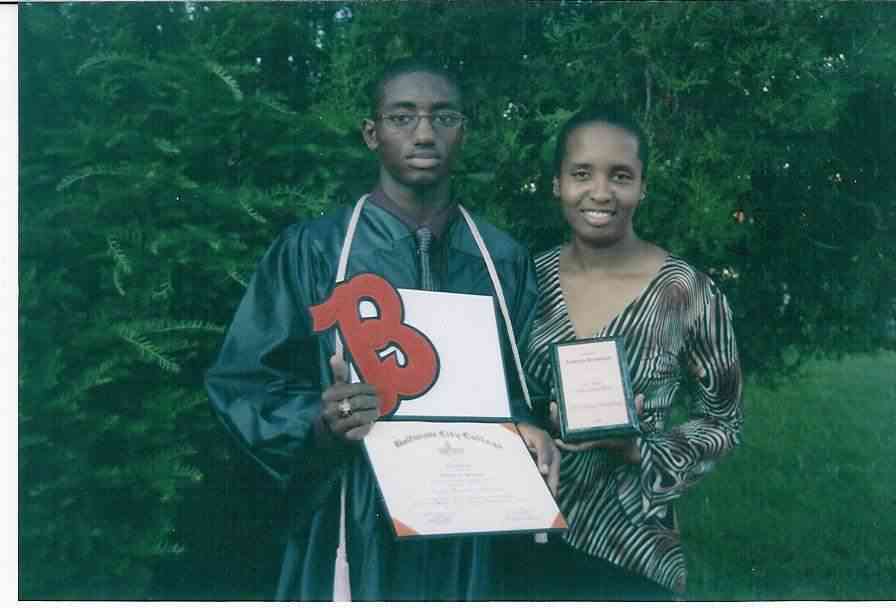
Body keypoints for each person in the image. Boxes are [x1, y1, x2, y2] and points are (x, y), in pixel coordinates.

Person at [204, 58, 558, 601]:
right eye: (402, 117)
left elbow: (526, 387)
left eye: (444, 117)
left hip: (471, 528)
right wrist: (320, 422)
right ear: (372, 133)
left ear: (464, 132)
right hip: (354, 516)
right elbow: (244, 383)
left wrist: (529, 424)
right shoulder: (316, 251)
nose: (424, 133)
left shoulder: (501, 259)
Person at [518, 105, 744, 600]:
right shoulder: (524, 280)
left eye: (620, 176)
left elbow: (724, 422)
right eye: (582, 174)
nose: (600, 193)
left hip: (631, 547)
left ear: (642, 187)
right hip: (523, 532)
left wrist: (638, 448)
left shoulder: (687, 291)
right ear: (557, 183)